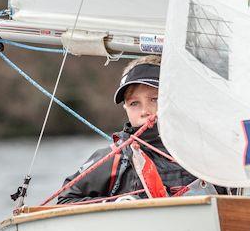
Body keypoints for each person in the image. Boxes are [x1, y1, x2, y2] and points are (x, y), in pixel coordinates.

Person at [57, 55, 198, 204]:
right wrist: (117, 205)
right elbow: (65, 200)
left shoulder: (203, 151)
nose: (145, 111)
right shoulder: (115, 158)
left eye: (155, 99)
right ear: (125, 108)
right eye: (134, 103)